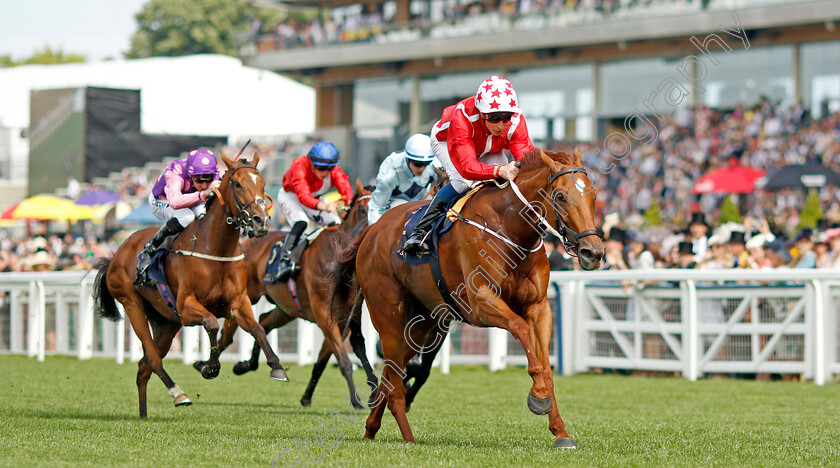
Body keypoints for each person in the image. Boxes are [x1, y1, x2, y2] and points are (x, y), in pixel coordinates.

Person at [403, 75, 534, 255]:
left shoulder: (516, 122)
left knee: (507, 182)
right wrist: (500, 170)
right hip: (446, 139)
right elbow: (467, 168)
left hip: (487, 144)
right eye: (494, 117)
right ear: (481, 113)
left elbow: (528, 162)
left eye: (506, 117)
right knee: (462, 182)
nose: (501, 124)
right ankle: (420, 231)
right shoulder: (463, 116)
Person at [135, 149, 221, 284]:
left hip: (190, 200)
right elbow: (174, 202)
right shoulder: (176, 173)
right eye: (199, 180)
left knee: (205, 214)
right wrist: (203, 194)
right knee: (186, 217)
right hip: (161, 202)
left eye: (208, 179)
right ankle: (149, 249)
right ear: (190, 174)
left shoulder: (212, 172)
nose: (204, 185)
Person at [274, 141, 353, 281]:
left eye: (329, 168)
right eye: (320, 168)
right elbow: (303, 197)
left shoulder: (335, 171)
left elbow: (346, 190)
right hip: (291, 196)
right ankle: (284, 261)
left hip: (314, 198)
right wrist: (326, 207)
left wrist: (349, 203)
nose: (325, 172)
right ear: (311, 163)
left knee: (335, 222)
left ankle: (335, 257)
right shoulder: (299, 165)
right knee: (301, 222)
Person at [368, 134, 440, 225]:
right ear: (407, 159)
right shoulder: (390, 171)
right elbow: (377, 207)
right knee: (401, 206)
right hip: (394, 203)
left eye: (426, 163)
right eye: (417, 164)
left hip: (422, 200)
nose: (422, 168)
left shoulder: (435, 164)